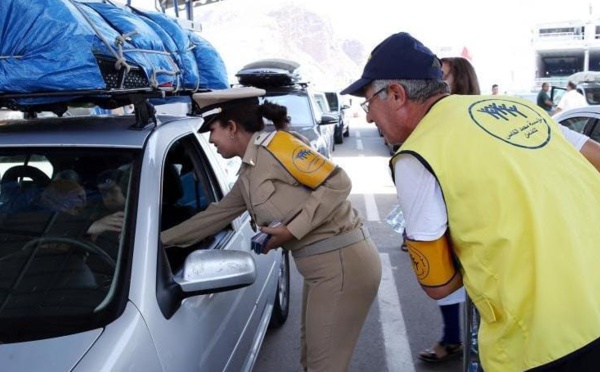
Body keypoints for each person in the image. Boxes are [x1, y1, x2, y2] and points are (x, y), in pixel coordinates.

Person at [341, 31, 600, 372]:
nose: (370, 117)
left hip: (539, 343)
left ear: (396, 94)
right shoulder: (518, 108)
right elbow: (594, 156)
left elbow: (438, 284)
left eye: (368, 102)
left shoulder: (417, 155)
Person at [160, 87, 382, 372]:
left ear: (231, 127)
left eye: (212, 130)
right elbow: (214, 217)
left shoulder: (277, 146)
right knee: (312, 360)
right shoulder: (250, 170)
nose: (211, 140)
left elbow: (338, 182)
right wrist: (158, 241)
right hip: (324, 268)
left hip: (342, 264)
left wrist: (291, 230)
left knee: (323, 367)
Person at [412, 56, 481, 364]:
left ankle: (458, 342)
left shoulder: (473, 122)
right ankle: (454, 338)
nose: (434, 80)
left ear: (459, 81)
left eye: (442, 75)